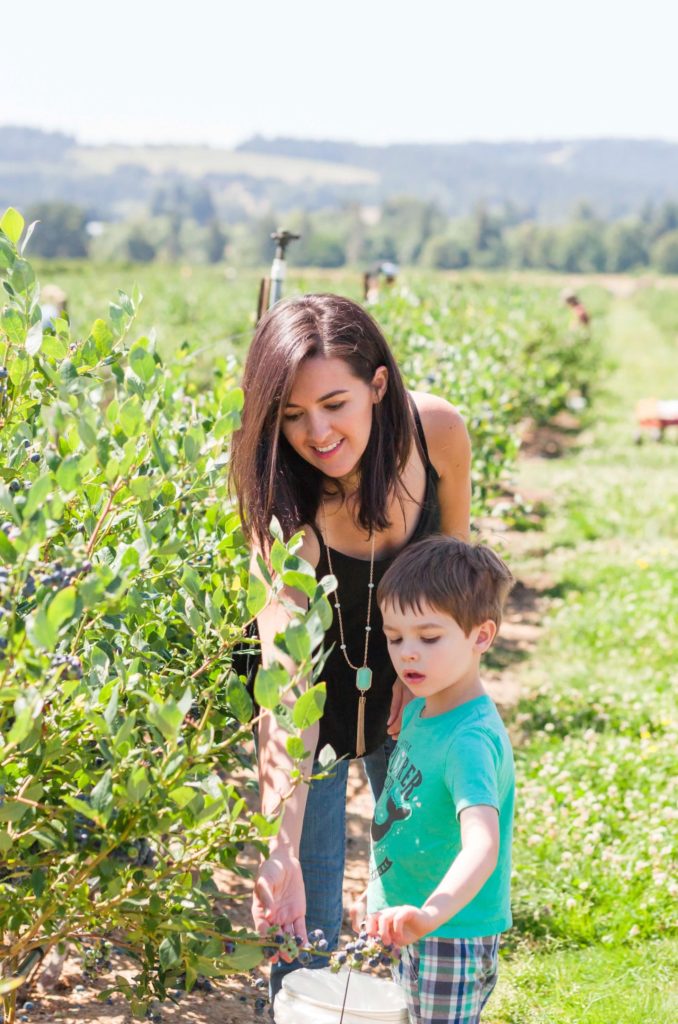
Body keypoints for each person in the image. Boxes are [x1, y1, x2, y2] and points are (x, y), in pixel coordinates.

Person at [229, 293, 472, 1000]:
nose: (318, 433)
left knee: (429, 882)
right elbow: (287, 681)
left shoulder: (438, 434)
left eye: (335, 403)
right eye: (292, 415)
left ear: (378, 385)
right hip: (311, 706)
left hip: (412, 679)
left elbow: (457, 572)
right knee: (304, 914)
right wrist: (278, 850)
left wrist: (432, 675)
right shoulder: (285, 502)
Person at [353, 535, 515, 1024]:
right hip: (409, 921)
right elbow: (405, 815)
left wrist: (431, 914)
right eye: (395, 637)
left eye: (428, 637)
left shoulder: (468, 739)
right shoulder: (423, 709)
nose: (408, 655)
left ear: (481, 636)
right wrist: (378, 890)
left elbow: (481, 847)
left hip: (451, 934)